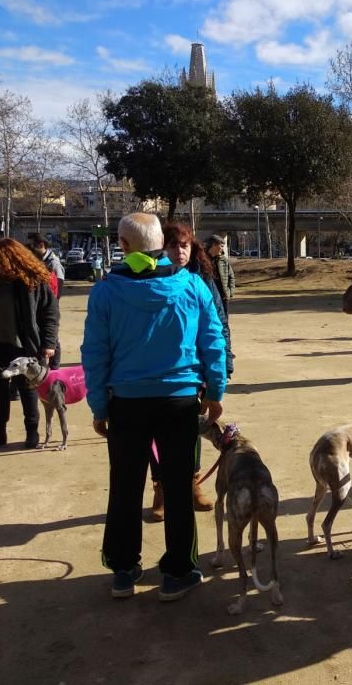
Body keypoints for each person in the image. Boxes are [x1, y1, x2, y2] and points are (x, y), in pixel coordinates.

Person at [81, 213, 227, 601]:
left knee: (125, 487)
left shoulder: (106, 291)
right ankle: (178, 571)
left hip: (126, 403)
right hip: (179, 400)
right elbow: (213, 342)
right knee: (179, 487)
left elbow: (95, 353)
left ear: (124, 245)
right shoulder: (192, 285)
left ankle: (123, 569)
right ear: (161, 244)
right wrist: (215, 391)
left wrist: (99, 405)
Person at [144, 222, 236, 520]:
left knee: (193, 430)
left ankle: (192, 482)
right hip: (158, 373)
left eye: (184, 245)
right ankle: (160, 487)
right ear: (161, 249)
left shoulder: (202, 278)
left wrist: (224, 363)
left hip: (195, 372)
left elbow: (218, 323)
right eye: (172, 246)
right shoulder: (149, 279)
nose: (179, 251)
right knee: (157, 434)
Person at [0, 239, 59, 449]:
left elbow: (50, 314)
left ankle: (32, 432)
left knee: (27, 390)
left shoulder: (34, 279)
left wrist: (49, 343)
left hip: (26, 347)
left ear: (12, 258)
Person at [29, 234, 64, 369]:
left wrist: (53, 303)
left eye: (33, 246)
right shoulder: (40, 260)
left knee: (53, 337)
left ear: (41, 245)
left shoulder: (53, 263)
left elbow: (59, 284)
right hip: (43, 303)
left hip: (50, 304)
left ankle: (55, 367)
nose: (31, 249)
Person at [205, 235, 235, 313]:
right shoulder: (202, 259)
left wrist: (229, 292)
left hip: (223, 297)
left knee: (224, 318)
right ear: (214, 245)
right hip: (207, 297)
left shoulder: (224, 260)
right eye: (221, 246)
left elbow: (231, 276)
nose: (222, 249)